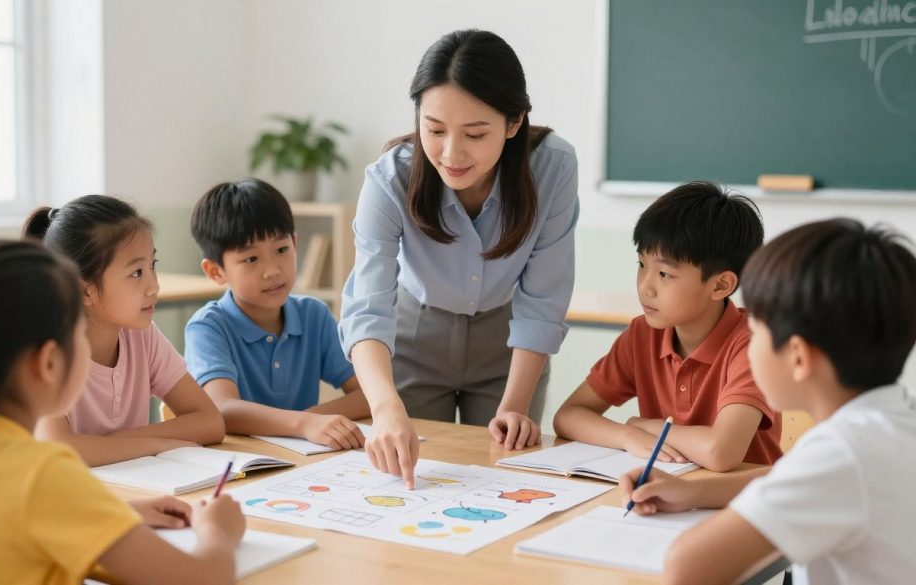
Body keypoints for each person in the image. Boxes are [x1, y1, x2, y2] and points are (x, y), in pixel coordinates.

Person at [0, 240, 244, 584]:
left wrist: (116, 514)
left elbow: (3, 525)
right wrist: (218, 531)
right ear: (48, 363)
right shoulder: (42, 475)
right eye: (80, 332)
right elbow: (204, 577)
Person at [340, 29, 579, 487]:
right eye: (433, 130)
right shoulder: (389, 179)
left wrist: (514, 406)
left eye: (474, 133)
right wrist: (385, 407)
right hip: (414, 337)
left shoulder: (552, 168)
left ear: (514, 123)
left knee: (503, 480)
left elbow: (544, 298)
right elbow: (368, 306)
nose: (450, 153)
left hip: (506, 345)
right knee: (407, 482)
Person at [620, 219, 916, 584]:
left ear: (797, 357)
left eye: (756, 332)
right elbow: (789, 476)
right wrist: (692, 491)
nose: (748, 344)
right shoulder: (894, 419)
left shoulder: (841, 454)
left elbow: (687, 566)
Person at [553, 182, 781, 471]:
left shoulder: (753, 344)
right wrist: (628, 435)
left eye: (664, 274)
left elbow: (722, 452)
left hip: (739, 503)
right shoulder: (643, 335)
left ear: (721, 285)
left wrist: (650, 427)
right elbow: (569, 415)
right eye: (641, 264)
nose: (645, 287)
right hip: (668, 494)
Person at [24, 195, 225, 466]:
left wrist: (121, 441)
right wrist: (154, 444)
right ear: (85, 289)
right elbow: (61, 450)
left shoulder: (142, 336)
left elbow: (210, 421)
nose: (154, 285)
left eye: (152, 265)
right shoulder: (47, 351)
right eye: (136, 273)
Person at [185, 179, 369, 450]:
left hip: (303, 460)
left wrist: (308, 422)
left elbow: (368, 393)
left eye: (281, 250)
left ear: (295, 243)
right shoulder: (208, 327)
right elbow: (222, 409)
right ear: (216, 271)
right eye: (251, 259)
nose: (272, 270)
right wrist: (303, 425)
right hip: (242, 463)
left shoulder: (313, 315)